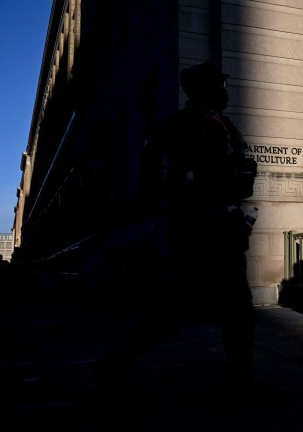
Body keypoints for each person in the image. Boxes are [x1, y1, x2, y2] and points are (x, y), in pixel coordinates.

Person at [95, 62, 259, 387]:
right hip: (200, 227)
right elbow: (154, 166)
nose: (226, 91)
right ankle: (242, 383)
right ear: (205, 88)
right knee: (225, 306)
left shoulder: (220, 123)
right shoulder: (186, 123)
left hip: (219, 225)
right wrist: (179, 201)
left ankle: (116, 363)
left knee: (194, 306)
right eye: (220, 85)